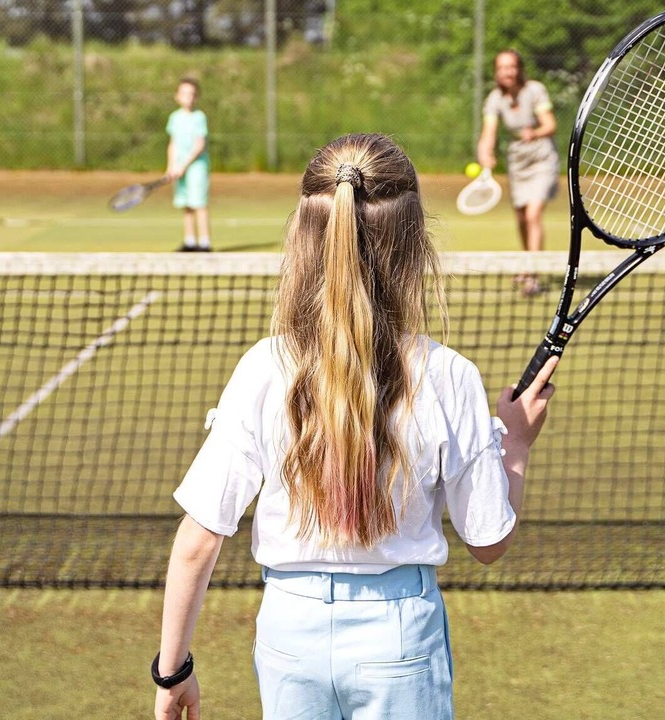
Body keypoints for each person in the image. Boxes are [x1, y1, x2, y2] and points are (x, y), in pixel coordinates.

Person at [151, 133, 559, 720]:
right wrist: (514, 443)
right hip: (401, 635)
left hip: (290, 630)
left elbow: (197, 543)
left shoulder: (264, 367)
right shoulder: (449, 376)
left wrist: (173, 671)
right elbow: (489, 541)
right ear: (415, 242)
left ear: (303, 236)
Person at [476, 50, 559, 297]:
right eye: (502, 67)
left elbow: (550, 125)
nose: (507, 72)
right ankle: (527, 263)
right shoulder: (494, 99)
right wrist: (485, 154)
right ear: (496, 72)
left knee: (533, 214)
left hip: (542, 158)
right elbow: (488, 133)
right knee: (522, 217)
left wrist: (534, 133)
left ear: (519, 68)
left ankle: (532, 275)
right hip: (518, 161)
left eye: (511, 66)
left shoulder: (535, 90)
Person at [165, 77, 211, 252]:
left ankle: (205, 243)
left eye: (192, 94)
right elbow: (173, 143)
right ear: (177, 96)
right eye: (184, 93)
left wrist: (183, 166)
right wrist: (171, 167)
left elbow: (200, 145)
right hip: (178, 169)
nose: (188, 97)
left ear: (196, 97)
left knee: (199, 204)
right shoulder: (174, 118)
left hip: (196, 167)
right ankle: (190, 241)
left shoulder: (200, 117)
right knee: (187, 205)